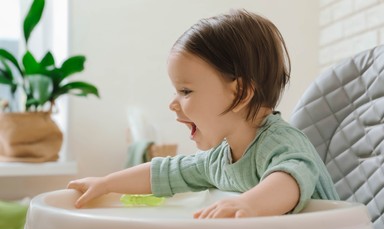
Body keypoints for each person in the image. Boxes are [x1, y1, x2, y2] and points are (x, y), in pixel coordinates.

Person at [68, 9, 339, 218]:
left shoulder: (280, 143)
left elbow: (290, 178)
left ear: (240, 93)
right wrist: (106, 183)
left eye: (185, 91)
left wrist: (246, 204)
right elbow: (164, 173)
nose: (173, 103)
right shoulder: (219, 159)